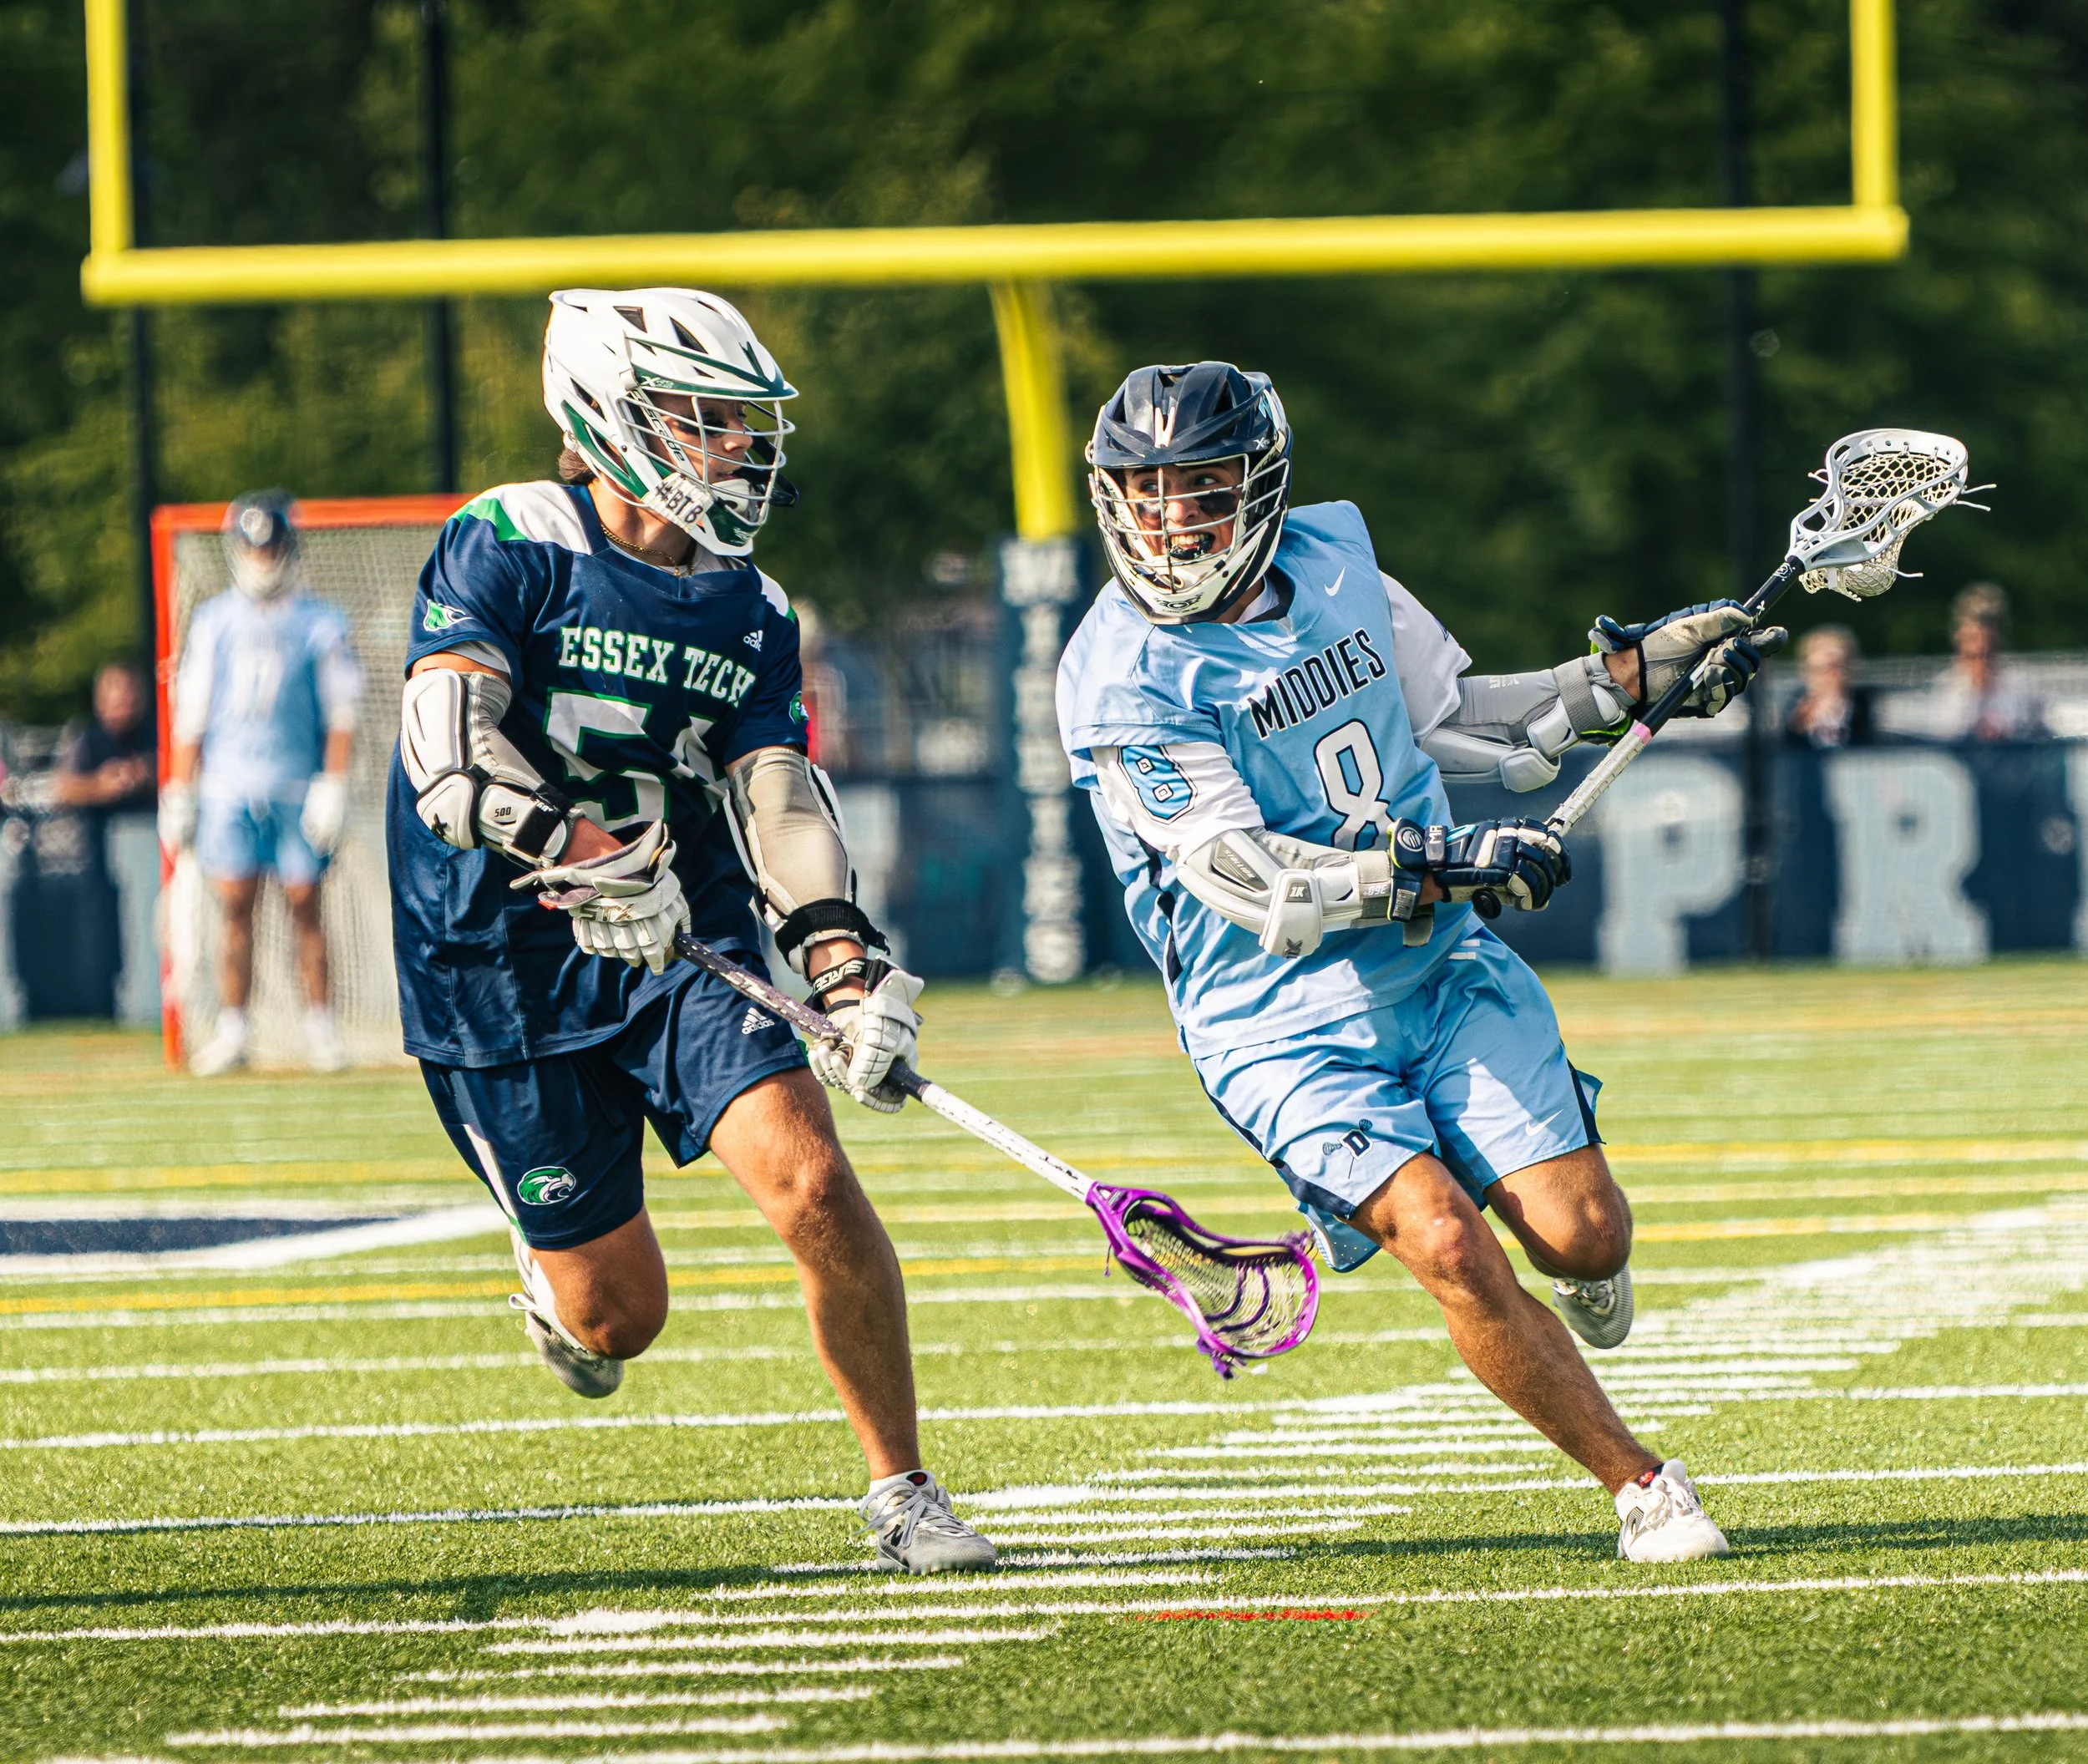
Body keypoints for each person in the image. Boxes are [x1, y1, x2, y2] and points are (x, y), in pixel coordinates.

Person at [1057, 362, 1786, 1563]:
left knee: (1586, 1239)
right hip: (1273, 1016)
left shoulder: (1338, 560)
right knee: (1447, 1242)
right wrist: (1436, 865)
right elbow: (1251, 883)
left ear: (1265, 486)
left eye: (1200, 487)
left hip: (1439, 969)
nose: (1170, 518)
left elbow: (1462, 720)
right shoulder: (1121, 672)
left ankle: (1552, 1233)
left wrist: (1621, 683)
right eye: (1144, 491)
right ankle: (1641, 1487)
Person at [387, 286, 993, 1575]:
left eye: (742, 422)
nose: (739, 447)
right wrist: (584, 855)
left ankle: (904, 1492)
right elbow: (448, 760)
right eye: (706, 419)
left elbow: (775, 788)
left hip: (684, 942)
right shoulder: (510, 541)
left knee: (815, 1180)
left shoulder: (749, 607)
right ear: (615, 417)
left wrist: (841, 961)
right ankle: (555, 1283)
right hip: (498, 962)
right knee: (620, 1320)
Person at [159, 493, 362, 1076]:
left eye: (269, 545)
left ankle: (322, 1027)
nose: (261, 557)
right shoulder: (214, 619)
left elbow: (341, 710)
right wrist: (181, 789)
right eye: (253, 546)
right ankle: (233, 1028)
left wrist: (333, 783)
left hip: (295, 784)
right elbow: (193, 712)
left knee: (306, 906)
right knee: (233, 907)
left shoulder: (321, 621)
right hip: (228, 785)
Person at [1913, 582, 2044, 742]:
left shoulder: (2021, 687)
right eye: (1973, 655)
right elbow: (1943, 735)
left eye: (1987, 654)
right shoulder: (1944, 688)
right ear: (1959, 640)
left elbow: (2034, 733)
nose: (1980, 662)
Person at [54, 662, 158, 815]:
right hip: (98, 830)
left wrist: (145, 774)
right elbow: (61, 790)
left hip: (145, 824)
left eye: (129, 703)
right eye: (117, 704)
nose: (123, 712)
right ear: (100, 701)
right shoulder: (84, 739)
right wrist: (100, 785)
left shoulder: (153, 734)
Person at [1784, 625, 1874, 749]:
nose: (1828, 677)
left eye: (1834, 667)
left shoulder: (1864, 704)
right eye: (1819, 669)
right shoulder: (1792, 706)